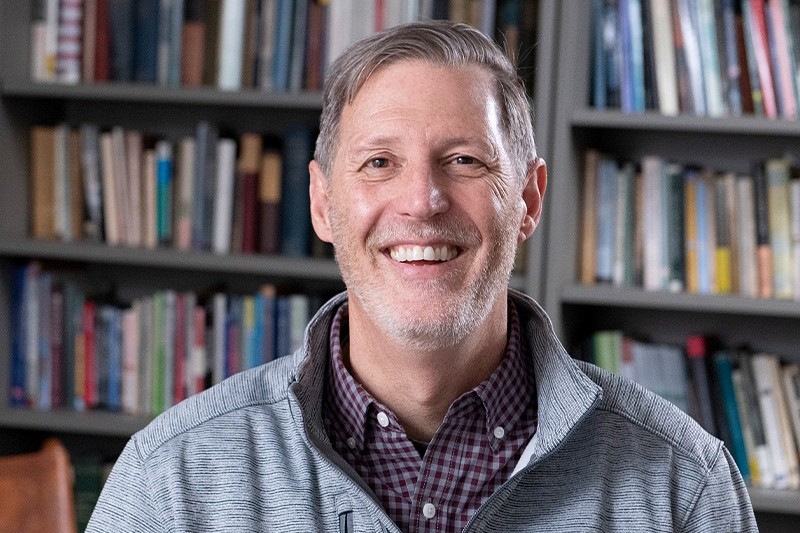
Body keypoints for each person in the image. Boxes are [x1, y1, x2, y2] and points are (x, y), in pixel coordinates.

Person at [87, 20, 757, 532]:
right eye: (379, 162)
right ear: (323, 202)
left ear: (528, 199)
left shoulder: (682, 486)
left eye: (464, 160)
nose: (422, 201)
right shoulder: (170, 483)